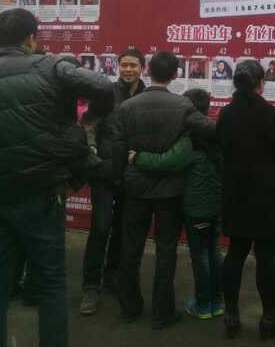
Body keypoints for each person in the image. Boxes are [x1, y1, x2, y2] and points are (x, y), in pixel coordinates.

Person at [0, 8, 114, 347]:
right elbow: (103, 88)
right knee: (50, 285)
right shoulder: (51, 66)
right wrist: (86, 123)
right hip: (42, 195)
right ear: (32, 38)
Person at [112, 52, 214, 329]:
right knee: (166, 252)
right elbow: (211, 130)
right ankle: (162, 312)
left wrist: (124, 177)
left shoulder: (127, 107)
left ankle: (129, 309)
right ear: (174, 75)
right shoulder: (183, 105)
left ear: (148, 71)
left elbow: (118, 148)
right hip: (170, 191)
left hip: (135, 187)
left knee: (130, 250)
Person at [219, 60, 275, 339]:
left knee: (235, 254)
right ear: (261, 84)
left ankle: (231, 317)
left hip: (236, 193)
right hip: (267, 195)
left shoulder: (226, 114)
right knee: (266, 258)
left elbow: (221, 151)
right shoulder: (272, 114)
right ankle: (268, 320)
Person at [131, 88, 224, 320]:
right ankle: (217, 301)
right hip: (216, 205)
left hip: (196, 208)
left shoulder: (189, 139)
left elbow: (166, 161)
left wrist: (137, 157)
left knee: (200, 255)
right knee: (214, 251)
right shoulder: (218, 135)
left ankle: (203, 304)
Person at [79, 49, 146, 316]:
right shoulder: (105, 93)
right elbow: (88, 124)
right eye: (124, 64)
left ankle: (112, 276)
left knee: (122, 229)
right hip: (104, 171)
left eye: (133, 65)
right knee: (100, 228)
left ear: (142, 68)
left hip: (132, 173)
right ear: (118, 67)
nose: (128, 69)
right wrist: (92, 151)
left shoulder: (146, 96)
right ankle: (90, 285)